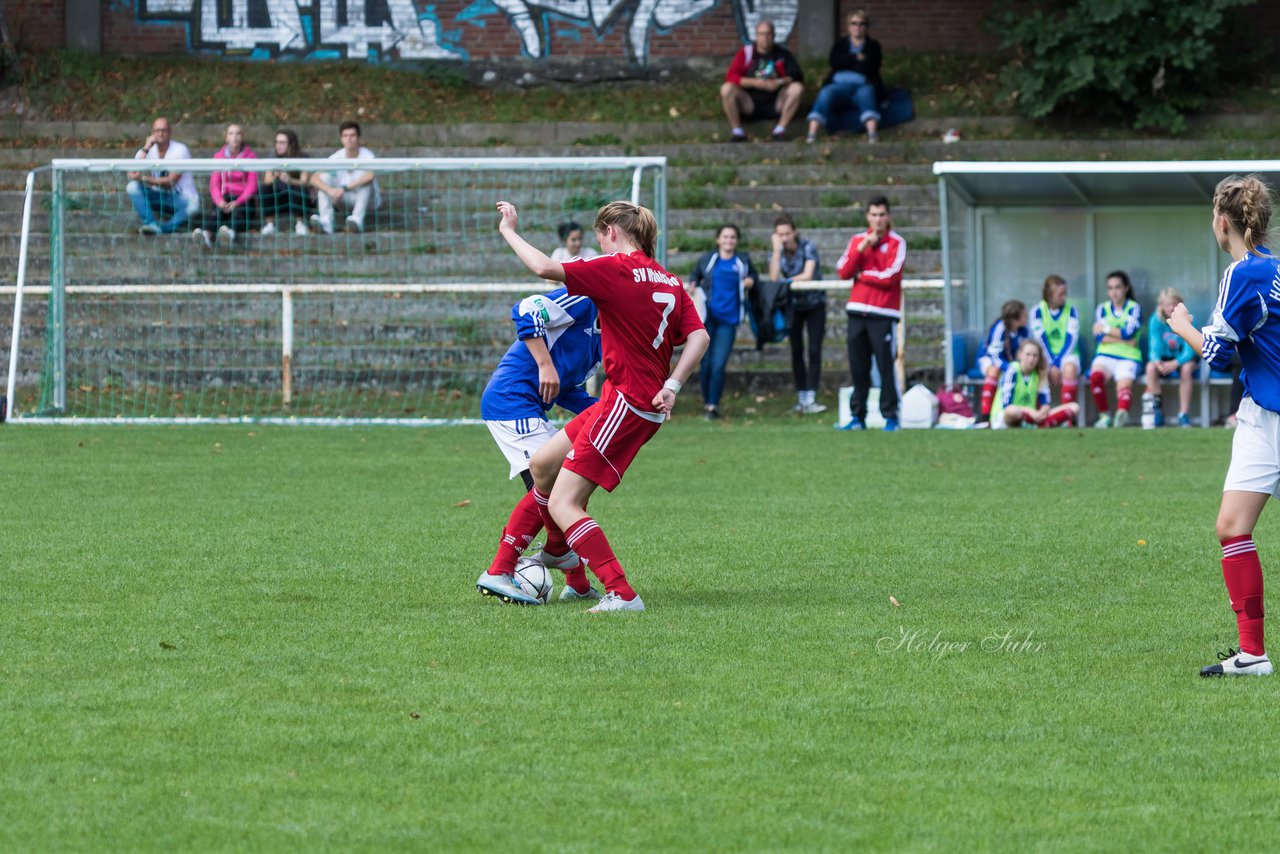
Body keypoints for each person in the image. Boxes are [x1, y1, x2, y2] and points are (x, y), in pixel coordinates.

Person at [476, 200, 709, 613]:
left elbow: (544, 269)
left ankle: (620, 592)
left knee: (565, 502)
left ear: (612, 232)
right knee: (545, 465)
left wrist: (508, 231)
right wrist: (673, 384)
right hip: (632, 401)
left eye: (599, 236)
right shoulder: (671, 282)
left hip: (626, 401)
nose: (598, 245)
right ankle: (555, 554)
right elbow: (700, 338)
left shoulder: (615, 268)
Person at [1167, 174, 1279, 677]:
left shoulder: (1242, 274)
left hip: (1269, 417)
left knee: (1233, 529)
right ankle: (1252, 654)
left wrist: (1182, 324)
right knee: (1232, 527)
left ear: (1222, 221)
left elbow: (1216, 355)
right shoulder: (1272, 270)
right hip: (1259, 415)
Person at [478, 287, 602, 600]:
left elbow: (564, 390)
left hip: (529, 406)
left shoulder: (605, 339)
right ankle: (499, 570)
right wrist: (544, 364)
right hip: (511, 401)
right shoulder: (585, 299)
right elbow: (526, 308)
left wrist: (609, 410)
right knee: (554, 488)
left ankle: (577, 584)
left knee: (565, 488)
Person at [835, 195, 906, 431]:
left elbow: (891, 276)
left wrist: (862, 276)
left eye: (882, 215)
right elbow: (843, 271)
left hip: (883, 314)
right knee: (858, 367)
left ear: (888, 217)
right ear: (868, 216)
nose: (878, 219)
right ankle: (858, 417)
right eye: (873, 215)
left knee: (886, 366)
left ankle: (891, 416)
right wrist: (862, 248)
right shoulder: (857, 240)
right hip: (857, 312)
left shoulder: (897, 242)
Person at [690, 225, 755, 419]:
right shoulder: (708, 260)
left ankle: (713, 406)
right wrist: (693, 285)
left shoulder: (742, 261)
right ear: (718, 239)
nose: (729, 240)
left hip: (729, 320)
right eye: (725, 237)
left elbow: (754, 278)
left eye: (733, 237)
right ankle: (706, 400)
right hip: (707, 319)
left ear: (737, 240)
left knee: (718, 364)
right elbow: (695, 276)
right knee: (706, 363)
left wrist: (750, 281)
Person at [769, 213, 825, 414]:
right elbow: (774, 277)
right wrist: (776, 251)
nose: (784, 238)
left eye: (787, 233)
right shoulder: (778, 252)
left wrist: (787, 282)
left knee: (814, 350)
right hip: (793, 306)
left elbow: (808, 275)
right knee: (796, 351)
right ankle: (802, 397)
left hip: (815, 303)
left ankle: (812, 396)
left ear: (794, 232)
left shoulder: (807, 246)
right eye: (780, 235)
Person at [805, 9, 885, 144]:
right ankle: (811, 134)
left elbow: (871, 66)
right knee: (826, 93)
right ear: (848, 27)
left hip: (863, 85)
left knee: (867, 93)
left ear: (867, 27)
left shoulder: (873, 46)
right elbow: (834, 62)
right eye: (854, 23)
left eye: (861, 23)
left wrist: (847, 62)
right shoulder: (840, 44)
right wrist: (856, 58)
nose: (857, 27)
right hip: (839, 86)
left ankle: (872, 135)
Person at [720, 19, 805, 142]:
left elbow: (797, 75)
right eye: (762, 34)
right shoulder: (746, 53)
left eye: (768, 33)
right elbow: (731, 76)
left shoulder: (783, 54)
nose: (765, 37)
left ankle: (780, 131)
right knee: (726, 88)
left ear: (774, 36)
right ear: (756, 36)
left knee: (797, 88)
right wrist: (754, 82)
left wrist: (778, 82)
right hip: (749, 103)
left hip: (776, 102)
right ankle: (737, 132)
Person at [124, 117, 201, 235]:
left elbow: (171, 181)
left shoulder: (180, 150)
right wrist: (145, 149)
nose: (160, 133)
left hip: (181, 198)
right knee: (132, 187)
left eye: (164, 130)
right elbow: (134, 173)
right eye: (157, 130)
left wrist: (145, 179)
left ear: (170, 132)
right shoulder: (146, 150)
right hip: (158, 196)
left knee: (193, 206)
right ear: (152, 132)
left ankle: (162, 229)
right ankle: (150, 223)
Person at [191, 123, 258, 250]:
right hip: (224, 197)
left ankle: (229, 233)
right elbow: (214, 184)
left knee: (239, 214)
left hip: (242, 199)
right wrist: (220, 201)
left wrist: (237, 202)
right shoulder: (219, 157)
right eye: (231, 134)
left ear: (242, 137)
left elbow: (252, 185)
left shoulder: (250, 156)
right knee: (215, 213)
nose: (235, 137)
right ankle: (206, 235)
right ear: (226, 137)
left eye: (238, 134)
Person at [1089, 270, 1142, 428]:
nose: (1114, 292)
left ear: (1126, 288)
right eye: (1110, 288)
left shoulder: (1134, 308)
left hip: (1128, 356)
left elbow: (1129, 332)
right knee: (1096, 377)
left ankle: (1121, 416)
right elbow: (1099, 337)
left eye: (1118, 287)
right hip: (1106, 354)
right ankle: (1104, 416)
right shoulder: (1102, 309)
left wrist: (1105, 329)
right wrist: (1123, 340)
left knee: (1124, 386)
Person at [310, 120, 381, 234]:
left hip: (368, 201)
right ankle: (326, 221)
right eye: (345, 135)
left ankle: (357, 219)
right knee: (324, 177)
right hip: (342, 200)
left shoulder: (367, 155)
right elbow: (314, 178)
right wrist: (329, 190)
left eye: (352, 135)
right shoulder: (337, 157)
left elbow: (370, 175)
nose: (349, 139)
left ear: (359, 138)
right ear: (341, 139)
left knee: (367, 181)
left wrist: (345, 188)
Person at [992, 339, 1079, 429]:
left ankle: (1039, 424)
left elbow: (1045, 403)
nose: (1031, 359)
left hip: (1032, 416)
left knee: (1074, 407)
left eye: (1035, 355)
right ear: (1020, 354)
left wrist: (1042, 411)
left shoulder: (1039, 373)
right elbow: (1006, 405)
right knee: (1012, 411)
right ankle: (1047, 424)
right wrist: (1030, 412)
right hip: (1006, 417)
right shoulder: (1012, 370)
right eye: (1028, 354)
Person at [1143, 287, 1198, 428]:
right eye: (1168, 304)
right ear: (1161, 306)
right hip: (1165, 359)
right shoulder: (1155, 321)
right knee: (1150, 368)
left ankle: (1183, 414)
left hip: (1183, 359)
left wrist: (1176, 363)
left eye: (1175, 303)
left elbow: (1190, 350)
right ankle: (1157, 411)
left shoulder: (1189, 319)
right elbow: (1153, 347)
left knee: (1186, 369)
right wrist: (1157, 361)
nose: (1171, 307)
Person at [975, 300, 1031, 427]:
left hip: (1012, 363)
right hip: (989, 359)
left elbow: (1028, 348)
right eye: (1024, 315)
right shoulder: (1000, 327)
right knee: (994, 370)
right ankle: (985, 416)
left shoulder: (1024, 330)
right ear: (1015, 317)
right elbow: (994, 354)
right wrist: (1008, 367)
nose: (1027, 317)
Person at [1029, 274, 1081, 407]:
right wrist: (1051, 362)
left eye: (1065, 293)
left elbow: (1071, 339)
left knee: (1069, 370)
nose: (1064, 297)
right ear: (1049, 295)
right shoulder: (1037, 311)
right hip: (1046, 356)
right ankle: (1039, 416)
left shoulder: (1072, 310)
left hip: (1067, 355)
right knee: (1038, 371)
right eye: (1060, 294)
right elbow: (1041, 340)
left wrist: (1057, 363)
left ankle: (1067, 416)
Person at [259, 129, 313, 236]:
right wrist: (277, 175)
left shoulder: (302, 157)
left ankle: (300, 224)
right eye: (276, 142)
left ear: (291, 144)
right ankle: (269, 225)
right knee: (265, 188)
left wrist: (290, 180)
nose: (278, 145)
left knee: (299, 188)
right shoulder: (273, 156)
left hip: (298, 198)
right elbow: (267, 180)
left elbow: (304, 181)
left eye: (282, 143)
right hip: (279, 199)